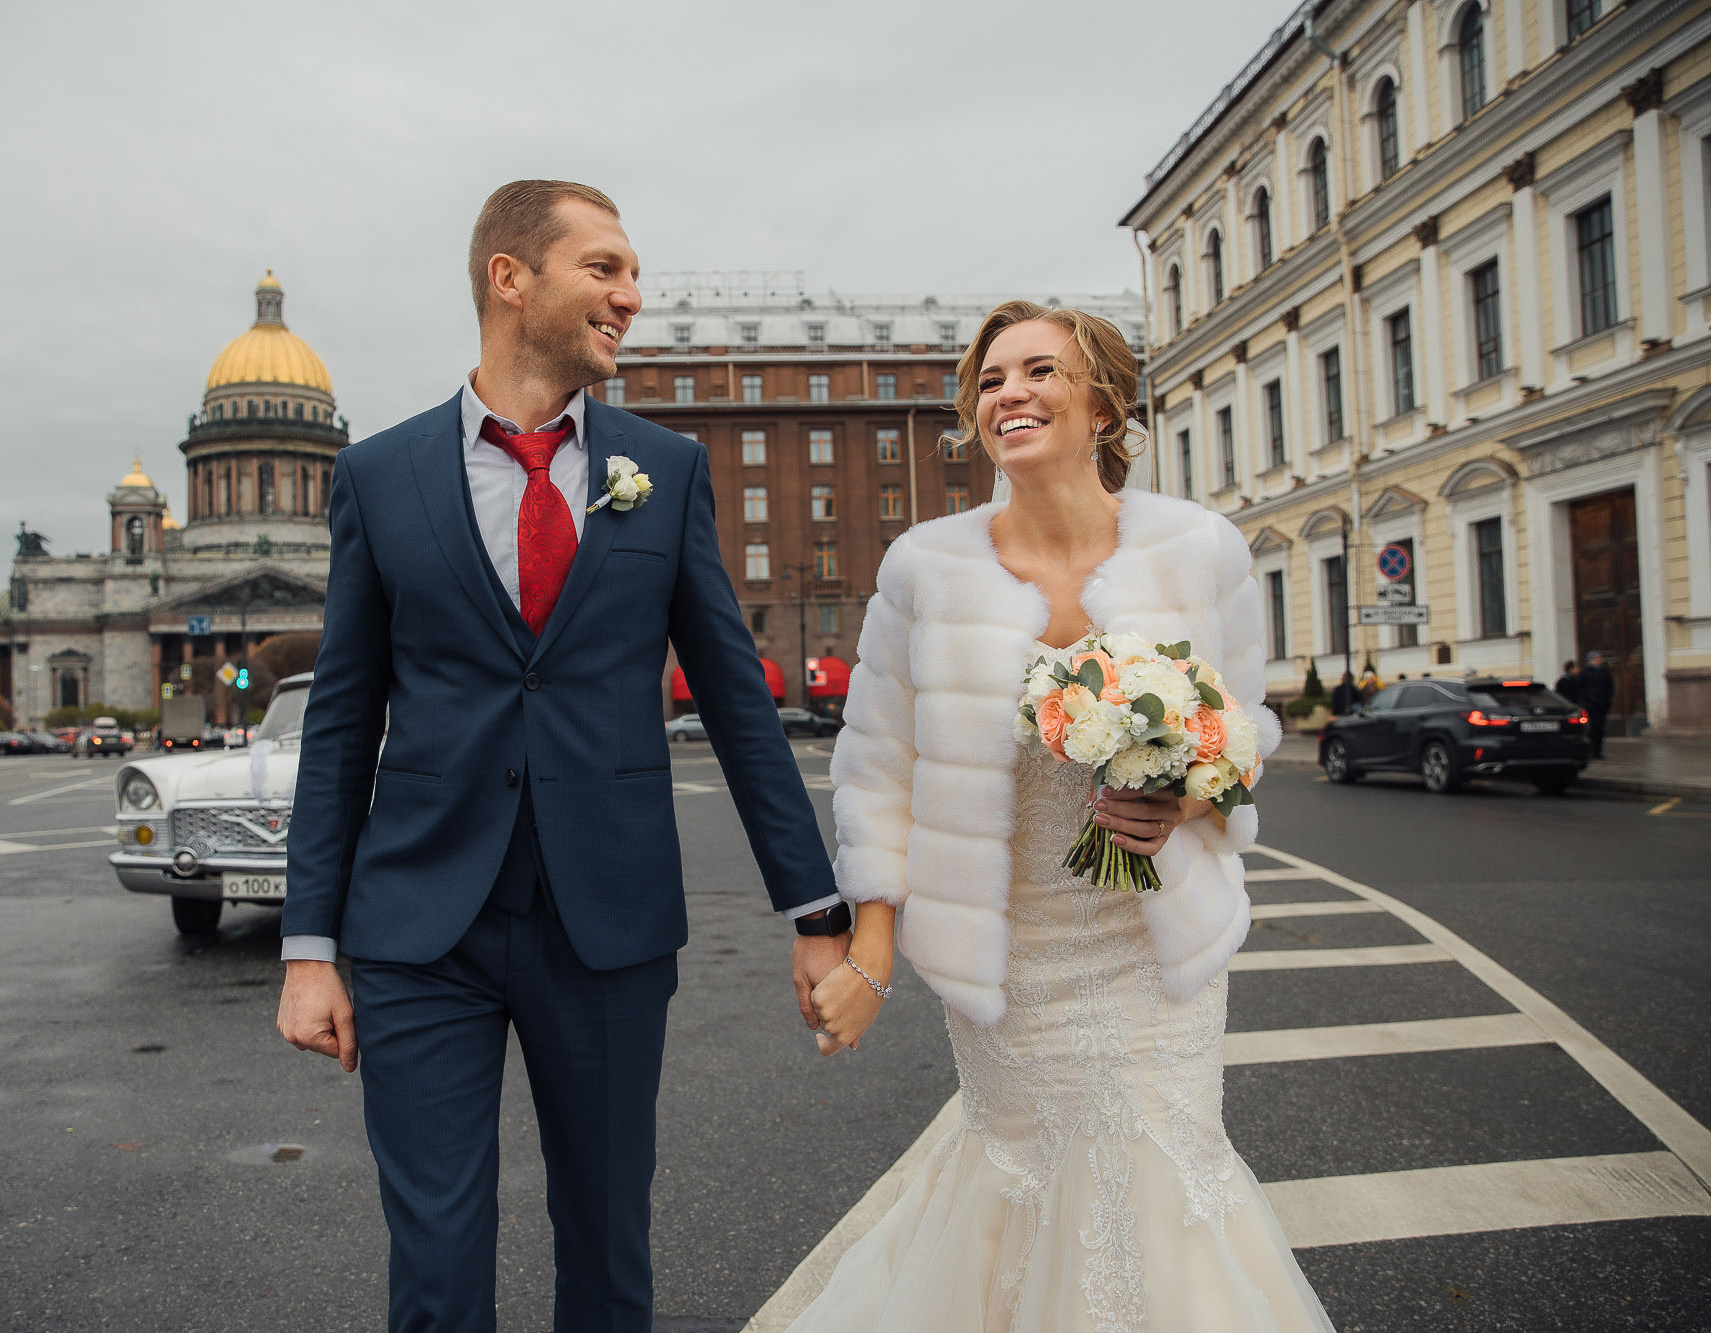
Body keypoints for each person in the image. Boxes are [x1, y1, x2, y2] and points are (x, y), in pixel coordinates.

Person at [274, 180, 843, 1332]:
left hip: (608, 923)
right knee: (435, 1261)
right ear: (510, 279)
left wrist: (816, 907)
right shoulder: (380, 478)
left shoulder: (662, 468)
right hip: (417, 929)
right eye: (604, 268)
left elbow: (738, 701)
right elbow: (340, 720)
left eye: (632, 275)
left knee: (605, 1242)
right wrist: (307, 945)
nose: (630, 297)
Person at [790, 303, 1335, 1329]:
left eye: (1039, 371)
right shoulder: (923, 571)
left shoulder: (1200, 550)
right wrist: (870, 950)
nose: (1010, 395)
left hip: (1151, 950)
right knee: (1020, 1179)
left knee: (1162, 1181)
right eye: (990, 381)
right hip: (1013, 959)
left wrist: (1190, 792)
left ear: (1102, 405)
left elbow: (1247, 726)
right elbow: (875, 773)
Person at [1580, 649, 1614, 759]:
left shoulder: (1604, 672)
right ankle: (1590, 749)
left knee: (1600, 728)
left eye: (1599, 658)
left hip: (1602, 704)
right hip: (1590, 705)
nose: (1599, 660)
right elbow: (1580, 688)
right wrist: (1585, 701)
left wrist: (1608, 698)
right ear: (1591, 660)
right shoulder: (1585, 672)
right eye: (1597, 658)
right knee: (1594, 726)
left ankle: (1597, 751)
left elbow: (1610, 686)